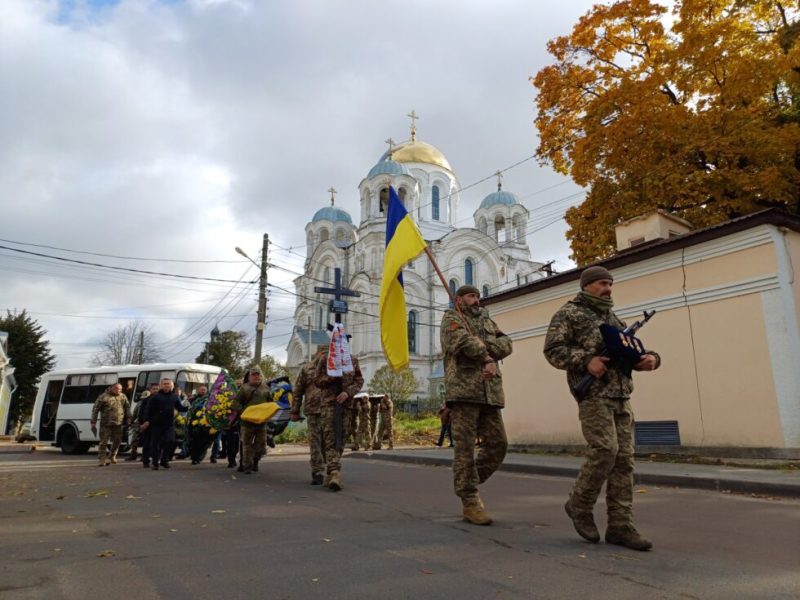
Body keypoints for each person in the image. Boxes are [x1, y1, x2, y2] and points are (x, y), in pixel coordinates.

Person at [543, 266, 660, 552]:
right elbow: (552, 349)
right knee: (605, 451)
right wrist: (585, 361)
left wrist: (650, 359)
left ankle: (621, 526)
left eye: (610, 283)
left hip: (620, 396)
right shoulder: (569, 313)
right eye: (601, 283)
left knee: (624, 462)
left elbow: (628, 352)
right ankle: (579, 504)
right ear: (586, 286)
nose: (607, 288)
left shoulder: (613, 318)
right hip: (593, 394)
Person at [440, 284, 512, 526]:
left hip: (490, 392)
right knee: (465, 449)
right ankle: (470, 500)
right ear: (459, 299)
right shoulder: (451, 318)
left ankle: (466, 481)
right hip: (465, 392)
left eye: (478, 296)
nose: (476, 300)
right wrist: (488, 355)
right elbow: (460, 343)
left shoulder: (487, 320)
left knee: (499, 445)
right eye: (471, 296)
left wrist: (487, 350)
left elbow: (507, 344)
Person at [312, 349, 364, 491]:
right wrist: (332, 377)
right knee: (330, 438)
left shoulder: (352, 360)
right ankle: (335, 472)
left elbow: (359, 380)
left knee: (342, 438)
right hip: (329, 405)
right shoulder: (325, 359)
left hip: (346, 406)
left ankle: (331, 470)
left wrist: (348, 392)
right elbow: (317, 380)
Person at [291, 345, 328, 485]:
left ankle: (329, 467)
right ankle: (317, 471)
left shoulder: (332, 369)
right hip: (313, 411)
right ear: (317, 353)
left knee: (328, 442)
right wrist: (295, 410)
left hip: (329, 410)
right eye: (323, 353)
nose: (325, 356)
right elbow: (298, 391)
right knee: (315, 442)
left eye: (328, 354)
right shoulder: (307, 369)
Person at [233, 366, 271, 475]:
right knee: (246, 445)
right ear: (249, 377)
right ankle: (247, 466)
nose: (256, 376)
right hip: (247, 422)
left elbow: (271, 403)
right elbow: (235, 403)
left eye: (257, 374)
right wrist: (244, 412)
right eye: (253, 375)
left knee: (261, 446)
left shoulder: (265, 388)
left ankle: (255, 460)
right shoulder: (244, 388)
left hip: (261, 422)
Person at [140, 378, 185, 470]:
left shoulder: (174, 397)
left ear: (171, 386)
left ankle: (164, 460)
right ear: (161, 385)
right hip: (156, 424)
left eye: (168, 383)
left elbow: (180, 408)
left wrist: (191, 407)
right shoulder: (155, 397)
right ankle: (155, 462)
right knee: (155, 444)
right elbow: (148, 410)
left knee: (171, 441)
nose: (166, 385)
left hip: (169, 424)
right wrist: (146, 420)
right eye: (164, 384)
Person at [90, 382, 131, 467]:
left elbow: (127, 407)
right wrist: (93, 422)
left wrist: (129, 418)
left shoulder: (122, 396)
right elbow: (95, 409)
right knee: (103, 442)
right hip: (106, 424)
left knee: (117, 441)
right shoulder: (103, 397)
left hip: (118, 423)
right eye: (117, 389)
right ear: (112, 388)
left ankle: (112, 455)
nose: (119, 391)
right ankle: (102, 459)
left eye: (120, 389)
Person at [125, 390, 150, 462]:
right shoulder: (139, 403)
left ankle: (144, 456)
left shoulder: (151, 403)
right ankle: (133, 455)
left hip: (147, 424)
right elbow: (135, 413)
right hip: (139, 423)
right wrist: (131, 421)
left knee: (146, 441)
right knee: (134, 440)